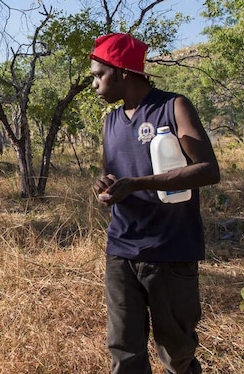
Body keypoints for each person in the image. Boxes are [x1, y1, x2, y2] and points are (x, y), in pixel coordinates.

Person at [89, 33, 220, 374]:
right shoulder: (111, 121)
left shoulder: (173, 107)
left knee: (177, 353)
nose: (94, 84)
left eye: (98, 75)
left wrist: (138, 185)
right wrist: (104, 186)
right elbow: (112, 176)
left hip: (171, 250)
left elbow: (208, 170)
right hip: (121, 250)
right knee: (124, 351)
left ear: (121, 72)